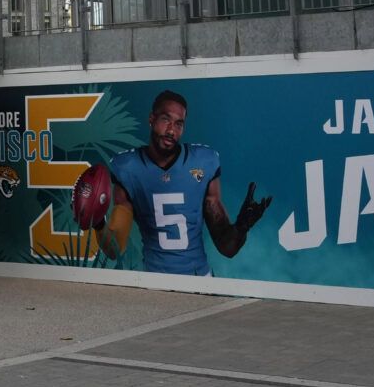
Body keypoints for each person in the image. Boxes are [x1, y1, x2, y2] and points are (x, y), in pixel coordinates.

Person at [73, 90, 270, 276]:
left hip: (199, 278)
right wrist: (99, 224)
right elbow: (115, 248)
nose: (171, 131)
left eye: (179, 124)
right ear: (151, 119)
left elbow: (227, 248)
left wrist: (242, 227)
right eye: (166, 120)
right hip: (155, 279)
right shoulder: (128, 168)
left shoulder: (203, 161)